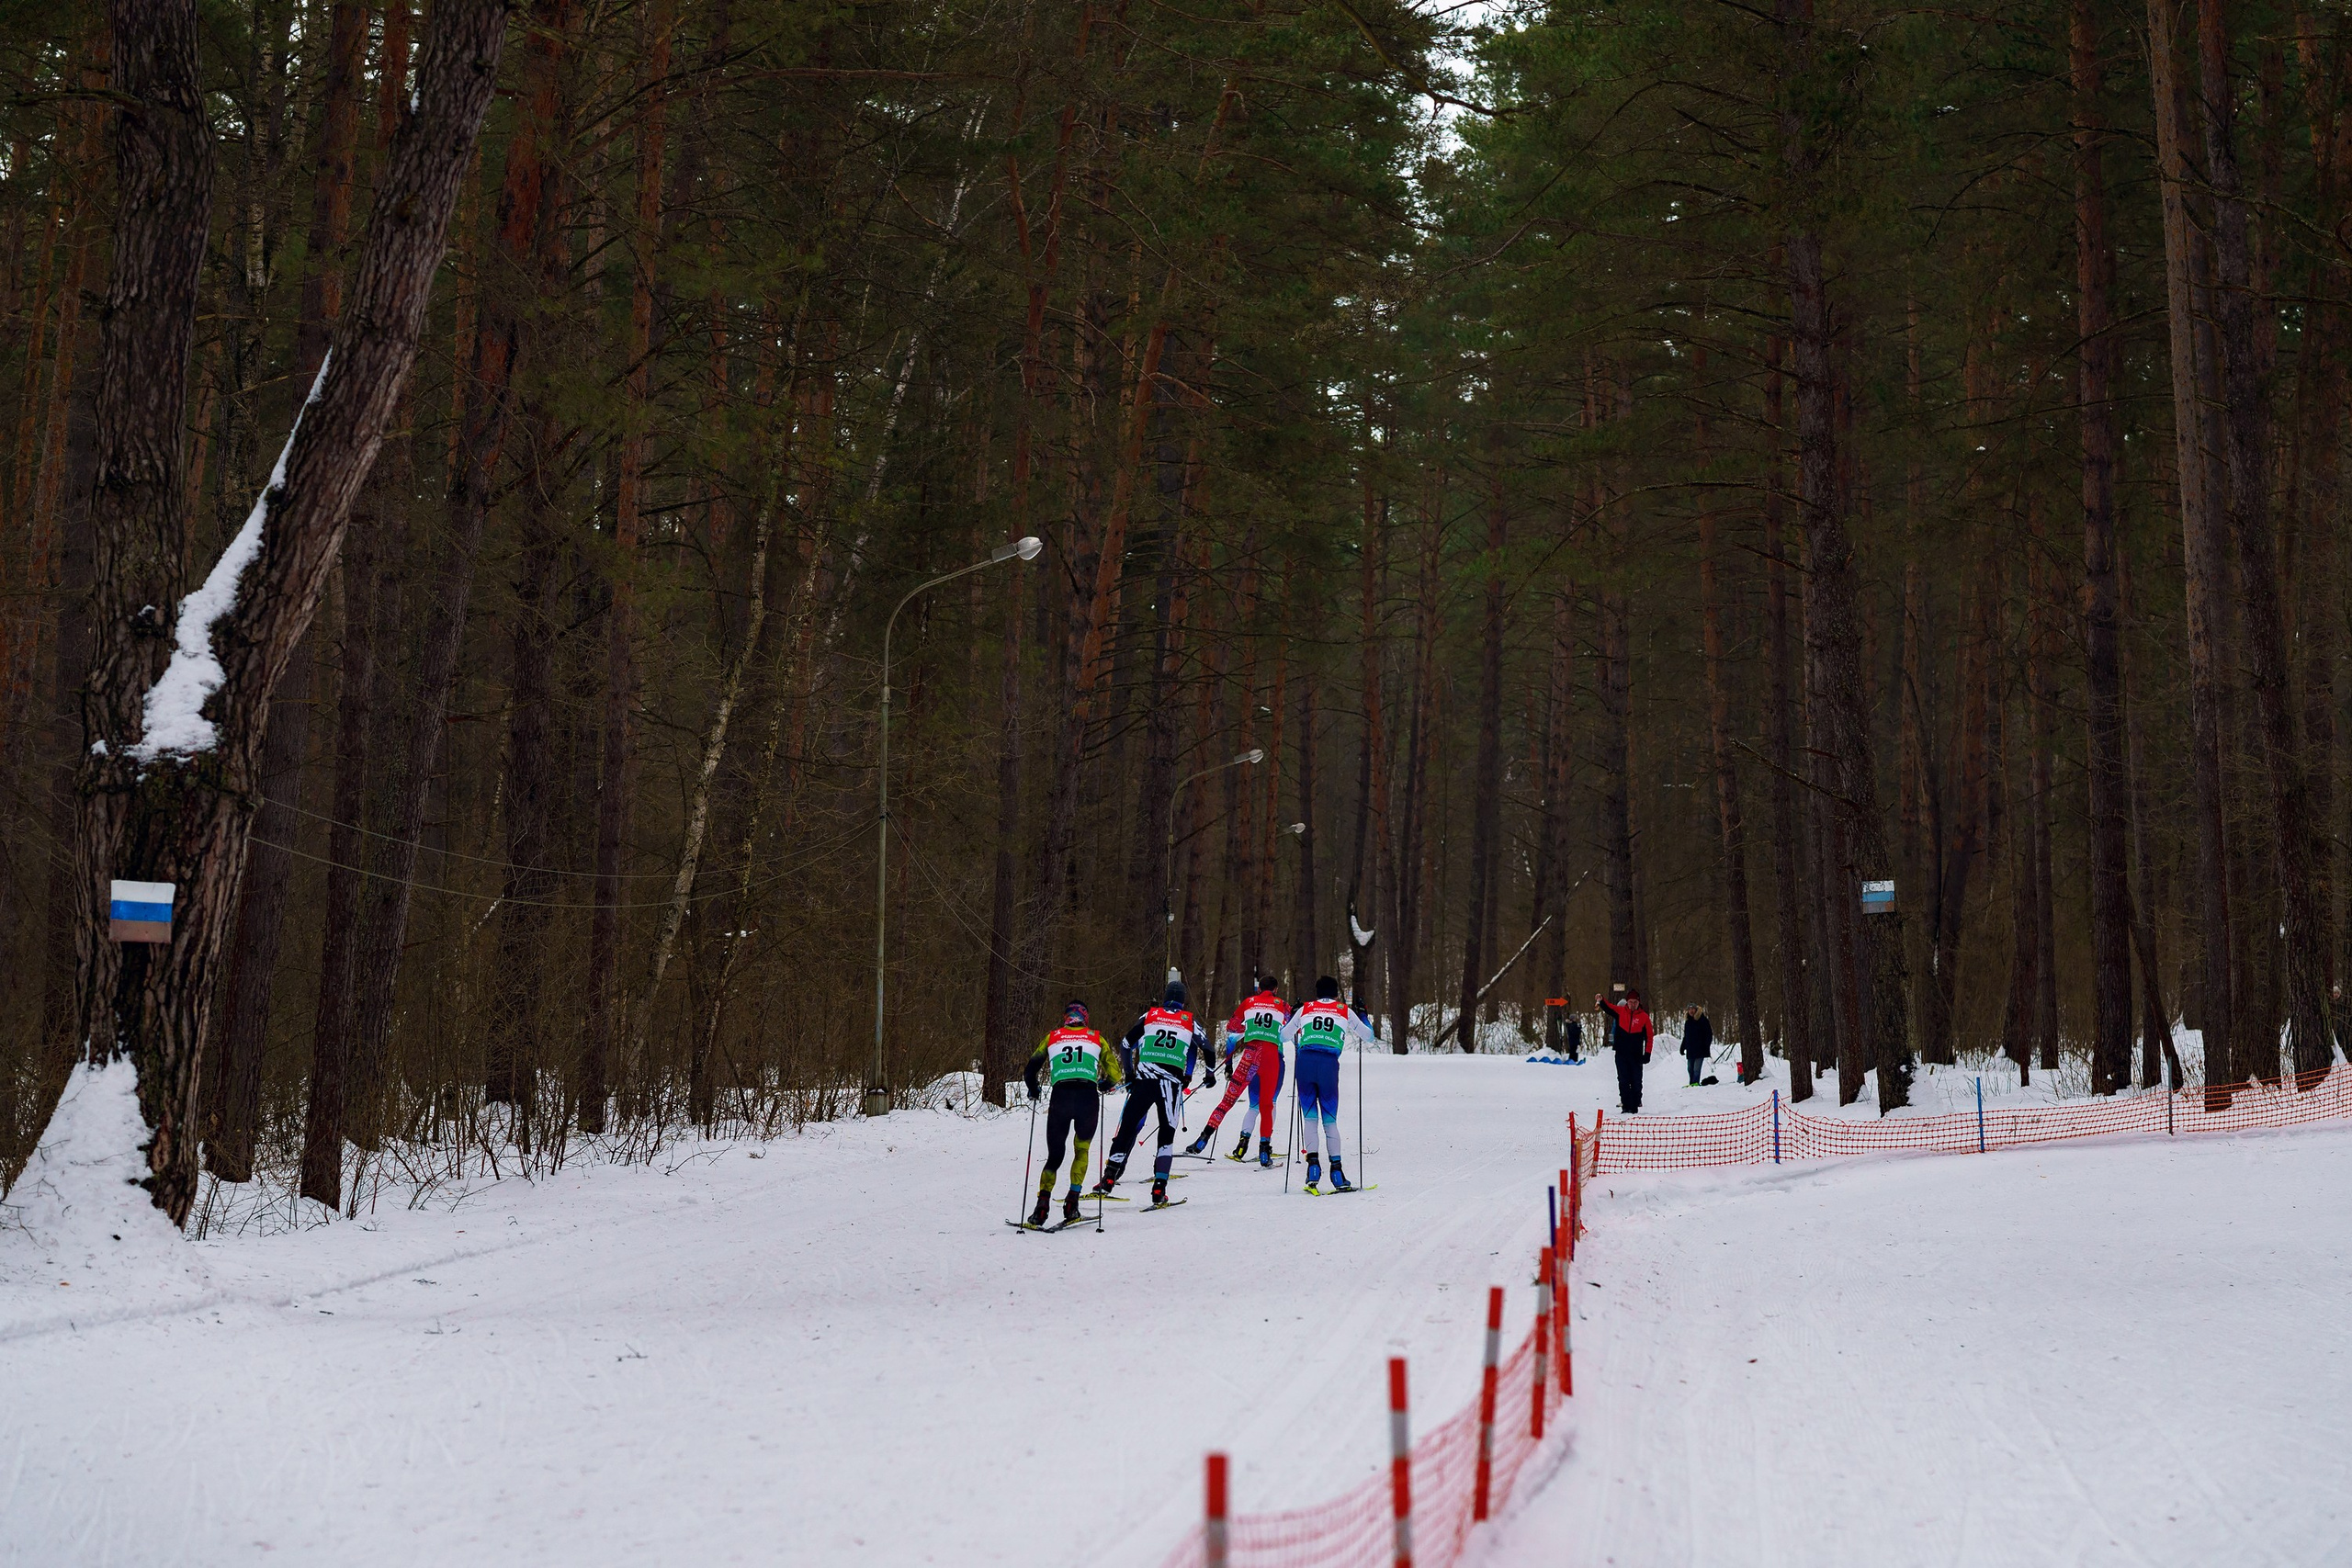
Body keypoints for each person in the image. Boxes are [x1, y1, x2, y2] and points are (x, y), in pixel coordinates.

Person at [1095, 974, 1207, 1206]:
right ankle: (1159, 1187)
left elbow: (1127, 1044)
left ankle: (1110, 1176)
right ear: (1183, 1002)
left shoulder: (1149, 1015)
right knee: (1166, 1132)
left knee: (1129, 1126)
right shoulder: (1188, 1020)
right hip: (1170, 1084)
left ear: (1165, 999)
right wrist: (1190, 1075)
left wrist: (1130, 1073)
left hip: (1144, 1080)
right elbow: (1196, 1048)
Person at [1023, 1001, 1122, 1226]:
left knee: (1055, 1155)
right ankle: (1072, 1203)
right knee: (1082, 1150)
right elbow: (1115, 1074)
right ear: (1085, 1018)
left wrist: (1033, 1087)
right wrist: (1106, 1084)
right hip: (1087, 1098)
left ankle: (1042, 1206)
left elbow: (1030, 1069)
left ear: (1066, 1017)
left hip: (1061, 1097)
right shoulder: (1097, 1038)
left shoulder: (1053, 1037)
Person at [1185, 972, 1289, 1164]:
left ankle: (1203, 1138)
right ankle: (1265, 1150)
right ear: (1275, 991)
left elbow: (1231, 1027)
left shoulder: (1249, 1001)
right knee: (1266, 1105)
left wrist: (1248, 1030)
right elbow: (1292, 1024)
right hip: (1270, 1057)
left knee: (1228, 1100)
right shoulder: (1281, 1004)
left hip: (1249, 1055)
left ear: (1259, 989)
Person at [1283, 976, 1373, 1191]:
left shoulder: (1305, 1008)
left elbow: (1283, 1036)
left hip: (1304, 1063)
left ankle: (1313, 1168)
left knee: (1310, 1118)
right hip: (1328, 1065)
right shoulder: (1343, 1009)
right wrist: (1363, 1014)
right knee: (1330, 1120)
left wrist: (1292, 1014)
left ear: (1317, 993)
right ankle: (1337, 1173)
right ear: (1335, 994)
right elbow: (1368, 1036)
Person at [1595, 988, 1653, 1114]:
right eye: (1630, 1002)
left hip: (1636, 1055)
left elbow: (1649, 1037)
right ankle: (1626, 1105)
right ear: (1627, 1002)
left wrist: (1647, 1053)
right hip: (1621, 1054)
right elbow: (1609, 1007)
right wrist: (1601, 1000)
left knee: (1636, 1082)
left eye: (1635, 1002)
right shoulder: (1621, 1012)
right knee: (1623, 1080)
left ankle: (1635, 1103)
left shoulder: (1644, 1017)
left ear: (1638, 1003)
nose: (1632, 1005)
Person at [1681, 1004, 1714, 1086]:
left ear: (1696, 1010)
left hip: (1700, 1049)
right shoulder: (1688, 1022)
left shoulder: (1703, 1020)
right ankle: (1691, 1083)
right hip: (1690, 1049)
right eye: (1689, 1010)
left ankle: (1695, 1083)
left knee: (1696, 1069)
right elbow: (1686, 1036)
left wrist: (1706, 1046)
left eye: (1693, 1009)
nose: (1691, 1011)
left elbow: (1709, 1034)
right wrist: (1682, 1047)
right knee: (1690, 1068)